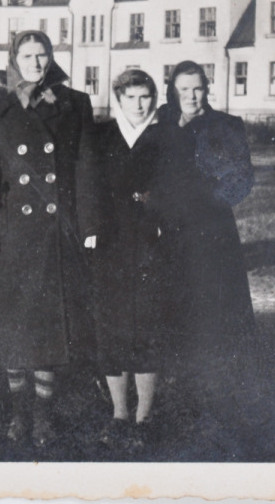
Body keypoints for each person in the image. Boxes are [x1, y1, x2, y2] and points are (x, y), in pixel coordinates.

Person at [0, 30, 104, 448]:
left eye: (41, 54)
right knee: (15, 328)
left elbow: (86, 167)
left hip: (55, 230)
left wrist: (90, 225)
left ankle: (43, 417)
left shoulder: (75, 103)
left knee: (48, 329)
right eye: (26, 56)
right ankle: (17, 414)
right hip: (9, 230)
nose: (35, 62)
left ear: (51, 57)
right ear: (14, 60)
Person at [92, 68, 196, 449]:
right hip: (111, 244)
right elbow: (89, 186)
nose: (138, 105)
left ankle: (145, 416)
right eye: (131, 97)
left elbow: (183, 191)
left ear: (155, 99)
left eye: (145, 97)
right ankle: (119, 413)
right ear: (118, 99)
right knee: (113, 327)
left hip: (154, 244)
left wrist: (161, 214)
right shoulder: (102, 135)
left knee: (149, 326)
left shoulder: (171, 136)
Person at [157, 61, 256, 364]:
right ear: (173, 91)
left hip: (211, 228)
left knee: (216, 300)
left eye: (197, 88)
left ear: (207, 89)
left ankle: (220, 368)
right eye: (184, 89)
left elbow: (241, 178)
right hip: (169, 227)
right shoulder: (160, 122)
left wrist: (207, 203)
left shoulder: (226, 125)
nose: (191, 96)